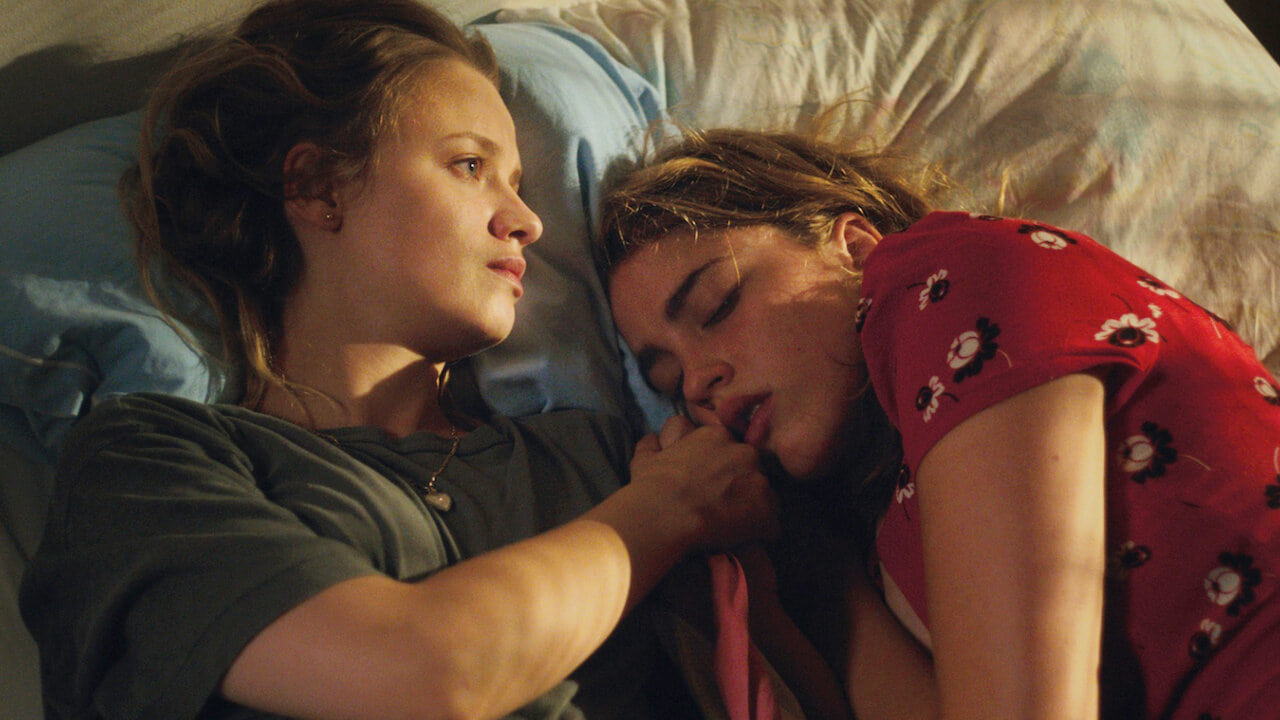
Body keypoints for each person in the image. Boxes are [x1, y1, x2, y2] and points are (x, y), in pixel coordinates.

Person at [17, 3, 783, 719]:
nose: (527, 220)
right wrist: (667, 512)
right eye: (470, 166)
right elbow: (422, 674)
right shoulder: (151, 465)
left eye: (519, 183)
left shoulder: (601, 458)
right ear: (318, 187)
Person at [595, 126, 1280, 720]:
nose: (696, 381)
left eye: (716, 305)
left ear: (854, 245)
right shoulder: (878, 530)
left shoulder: (953, 273)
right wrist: (794, 565)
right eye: (667, 382)